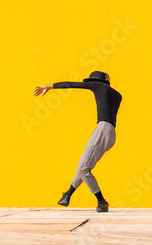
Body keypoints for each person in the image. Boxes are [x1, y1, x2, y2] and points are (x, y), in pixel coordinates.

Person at [33, 71, 122, 212]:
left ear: (97, 81)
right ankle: (67, 195)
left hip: (102, 129)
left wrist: (48, 87)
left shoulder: (99, 86)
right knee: (84, 166)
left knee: (83, 168)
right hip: (111, 134)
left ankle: (101, 201)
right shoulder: (117, 95)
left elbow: (72, 84)